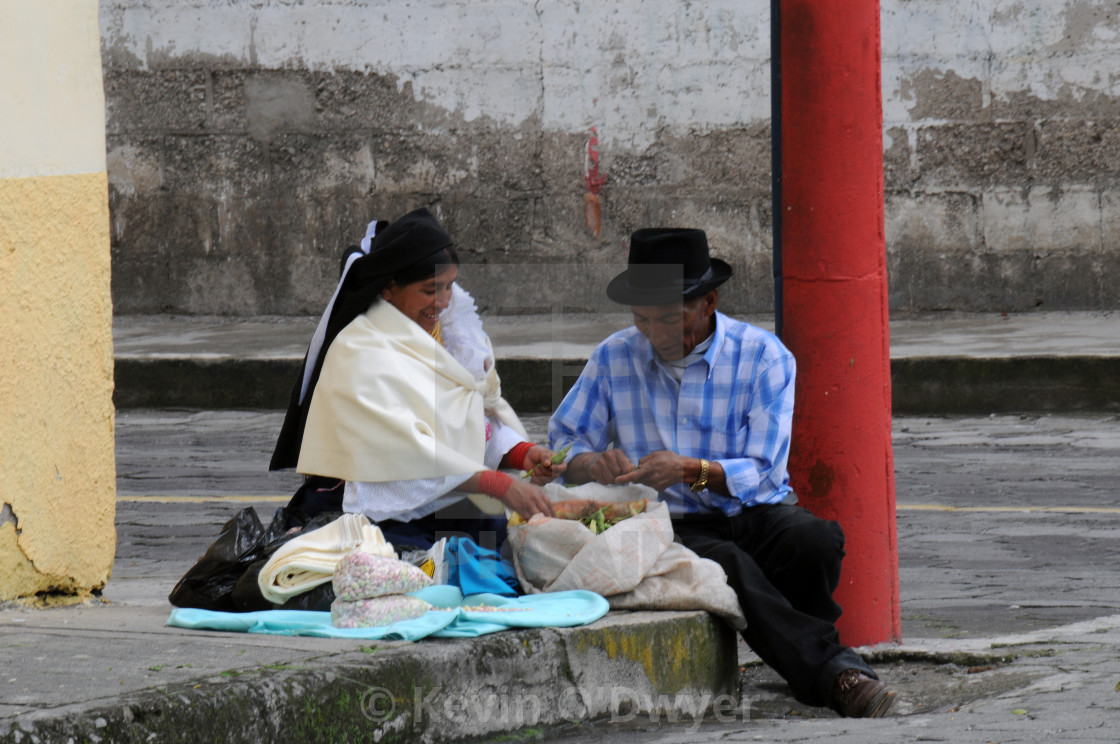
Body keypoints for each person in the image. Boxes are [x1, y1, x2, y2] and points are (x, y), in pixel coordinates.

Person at [549, 227, 896, 718]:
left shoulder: (763, 356)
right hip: (672, 524)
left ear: (709, 301)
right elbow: (563, 441)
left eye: (670, 318)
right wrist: (590, 462)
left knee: (814, 540)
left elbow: (763, 470)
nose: (656, 334)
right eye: (642, 320)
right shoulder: (614, 356)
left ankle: (798, 650)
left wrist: (691, 470)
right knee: (728, 564)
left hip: (753, 509)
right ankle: (835, 674)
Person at [270, 207, 557, 553]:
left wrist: (520, 454)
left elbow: (464, 420)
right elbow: (402, 451)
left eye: (449, 287)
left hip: (435, 497)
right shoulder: (360, 351)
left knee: (495, 540)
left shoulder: (446, 336)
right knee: (406, 561)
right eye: (430, 290)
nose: (444, 301)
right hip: (372, 505)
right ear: (389, 288)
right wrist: (496, 484)